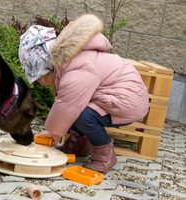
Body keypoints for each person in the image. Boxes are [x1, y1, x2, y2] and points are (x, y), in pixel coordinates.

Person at [18, 14, 149, 173]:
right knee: (78, 111)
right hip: (120, 97)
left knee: (81, 115)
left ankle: (105, 155)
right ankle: (80, 145)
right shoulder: (70, 63)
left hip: (129, 102)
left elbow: (67, 106)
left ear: (47, 68)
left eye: (39, 78)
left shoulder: (78, 68)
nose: (40, 83)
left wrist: (52, 133)